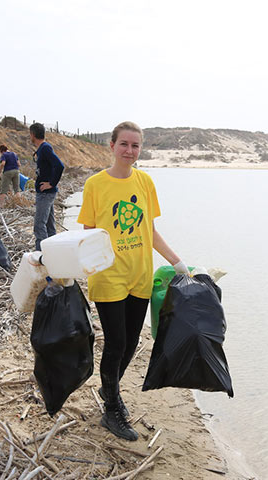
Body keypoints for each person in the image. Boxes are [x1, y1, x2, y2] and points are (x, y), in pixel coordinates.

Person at [77, 121, 190, 441]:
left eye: (135, 146)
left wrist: (178, 263)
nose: (129, 151)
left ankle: (109, 389)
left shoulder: (145, 182)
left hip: (140, 274)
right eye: (124, 144)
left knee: (131, 341)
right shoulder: (95, 185)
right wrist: (81, 269)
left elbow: (149, 232)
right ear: (111, 146)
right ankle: (111, 410)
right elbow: (90, 234)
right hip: (109, 275)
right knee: (115, 343)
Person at [30, 123, 64, 251]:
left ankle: (42, 256)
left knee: (39, 225)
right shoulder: (42, 149)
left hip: (46, 193)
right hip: (45, 193)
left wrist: (51, 183)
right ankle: (53, 252)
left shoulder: (45, 148)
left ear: (32, 134)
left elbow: (59, 165)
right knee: (50, 226)